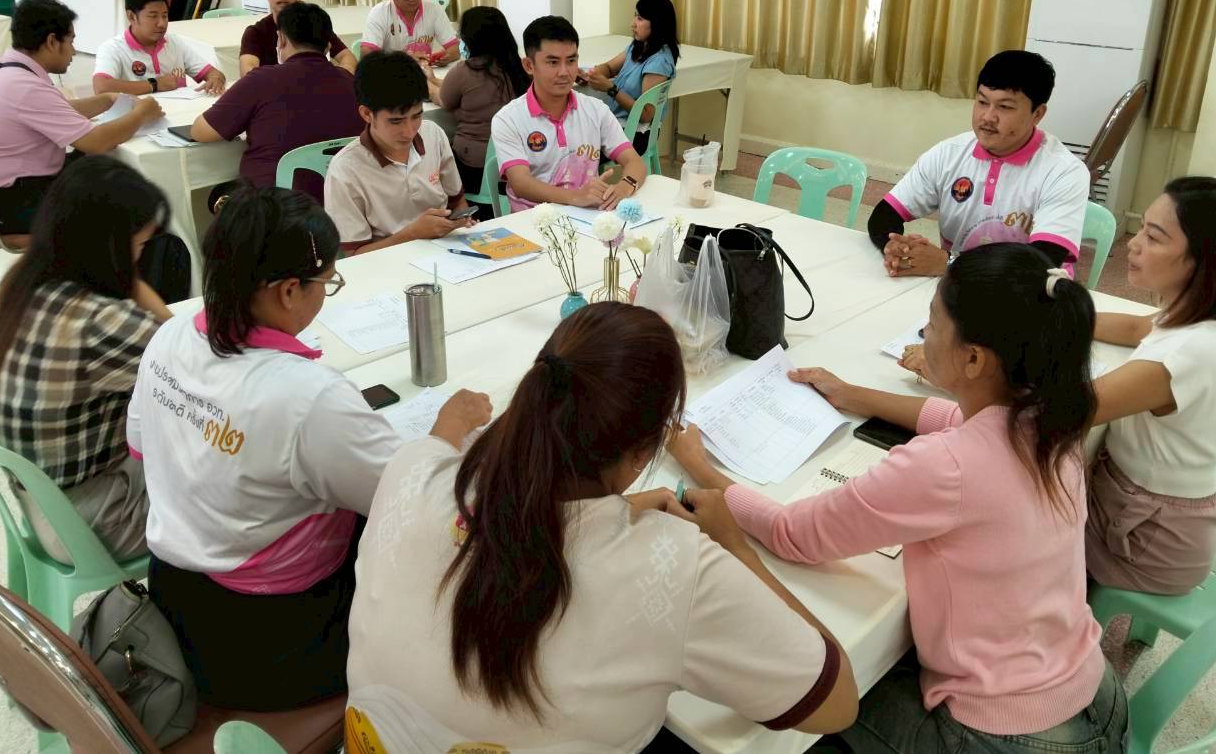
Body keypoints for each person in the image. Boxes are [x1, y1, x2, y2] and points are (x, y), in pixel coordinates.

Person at [671, 243, 1128, 754]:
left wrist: (700, 467)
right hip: (1096, 690)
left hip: (1006, 735)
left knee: (805, 710)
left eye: (932, 323)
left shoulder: (945, 467)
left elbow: (792, 534)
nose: (923, 333)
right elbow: (956, 418)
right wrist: (854, 395)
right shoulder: (1055, 417)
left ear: (973, 358)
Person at [346, 303, 859, 752]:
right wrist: (735, 549)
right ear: (642, 452)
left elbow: (503, 514)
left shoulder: (409, 473)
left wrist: (606, 517)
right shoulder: (679, 569)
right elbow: (835, 704)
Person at [130, 186, 490, 710]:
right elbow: (414, 501)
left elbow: (142, 450)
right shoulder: (306, 397)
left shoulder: (172, 335)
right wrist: (448, 429)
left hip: (173, 591)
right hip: (274, 639)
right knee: (460, 544)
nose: (326, 294)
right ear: (288, 291)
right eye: (327, 283)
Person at [0, 157, 171, 564]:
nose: (139, 259)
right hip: (97, 522)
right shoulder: (100, 321)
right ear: (110, 247)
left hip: (45, 507)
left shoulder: (26, 283)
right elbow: (191, 358)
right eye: (137, 246)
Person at [1086, 176, 1216, 595]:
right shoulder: (1210, 316)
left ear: (1202, 262)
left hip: (1149, 545)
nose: (1133, 244)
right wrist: (1057, 316)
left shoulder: (1191, 352)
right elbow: (1135, 327)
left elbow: (1070, 408)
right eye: (1141, 228)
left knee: (1014, 524)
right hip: (1160, 516)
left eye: (1154, 237)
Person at [867, 50, 1088, 278]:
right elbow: (884, 216)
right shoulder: (948, 154)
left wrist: (948, 262)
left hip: (1031, 291)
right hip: (958, 285)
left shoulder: (1064, 172)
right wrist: (894, 246)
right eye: (982, 102)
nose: (987, 117)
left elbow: (1042, 262)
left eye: (1005, 107)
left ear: (1037, 114)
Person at [0, 0, 163, 234]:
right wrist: (142, 113)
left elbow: (54, 110)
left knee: (109, 169)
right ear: (52, 42)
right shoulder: (23, 86)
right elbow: (97, 142)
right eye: (71, 41)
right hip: (11, 202)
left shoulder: (0, 70)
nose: (73, 51)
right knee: (130, 195)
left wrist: (106, 100)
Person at [192, 2, 362, 202]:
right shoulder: (352, 82)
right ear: (328, 46)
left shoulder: (260, 80)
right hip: (343, 202)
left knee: (218, 196)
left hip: (272, 206)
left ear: (281, 39)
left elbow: (201, 131)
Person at [491, 16, 647, 212]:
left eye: (571, 60)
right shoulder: (508, 119)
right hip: (534, 219)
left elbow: (634, 161)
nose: (564, 72)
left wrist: (625, 187)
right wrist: (576, 197)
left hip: (587, 216)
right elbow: (520, 183)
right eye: (553, 62)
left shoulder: (595, 110)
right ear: (529, 65)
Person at [324, 51, 470, 254]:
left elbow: (458, 202)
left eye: (416, 116)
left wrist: (463, 223)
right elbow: (354, 255)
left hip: (445, 252)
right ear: (367, 114)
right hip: (387, 263)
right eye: (396, 121)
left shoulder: (433, 135)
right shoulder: (345, 170)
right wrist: (412, 234)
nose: (409, 131)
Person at [424, 5, 528, 220]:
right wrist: (434, 79)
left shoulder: (465, 70)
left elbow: (443, 99)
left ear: (469, 38)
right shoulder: (518, 68)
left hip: (474, 167)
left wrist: (426, 81)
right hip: (514, 163)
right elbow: (466, 89)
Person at [579, 0, 679, 155]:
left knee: (576, 147)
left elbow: (646, 115)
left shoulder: (659, 61)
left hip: (637, 134)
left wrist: (611, 89)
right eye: (635, 16)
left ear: (657, 23)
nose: (632, 24)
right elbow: (610, 67)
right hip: (618, 124)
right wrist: (591, 74)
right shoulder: (638, 46)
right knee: (574, 133)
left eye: (640, 19)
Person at [93, 0, 226, 96]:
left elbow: (213, 73)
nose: (162, 23)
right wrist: (155, 85)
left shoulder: (174, 42)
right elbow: (101, 87)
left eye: (165, 16)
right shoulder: (112, 48)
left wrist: (216, 79)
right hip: (138, 117)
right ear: (132, 16)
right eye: (153, 16)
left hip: (179, 113)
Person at [238, 0, 357, 76]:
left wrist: (337, 77)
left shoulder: (314, 24)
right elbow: (248, 72)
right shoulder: (255, 32)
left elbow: (348, 58)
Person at [360, 0, 459, 64]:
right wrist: (404, 60)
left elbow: (454, 49)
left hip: (425, 72)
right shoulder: (379, 13)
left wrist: (446, 57)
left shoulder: (433, 9)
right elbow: (367, 58)